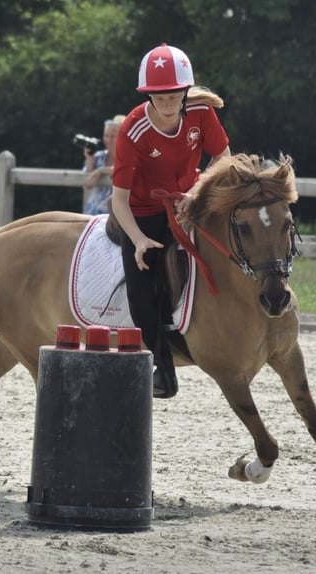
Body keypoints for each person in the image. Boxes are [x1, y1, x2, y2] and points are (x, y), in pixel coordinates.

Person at [110, 43, 231, 399]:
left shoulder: (202, 113)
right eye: (157, 95)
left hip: (188, 199)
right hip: (143, 211)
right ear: (147, 94)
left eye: (173, 94)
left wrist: (197, 192)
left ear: (184, 91)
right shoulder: (132, 130)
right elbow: (119, 199)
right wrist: (138, 240)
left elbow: (223, 156)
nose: (166, 102)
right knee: (141, 286)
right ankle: (161, 368)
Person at [81, 115, 125, 215]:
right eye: (106, 135)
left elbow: (123, 170)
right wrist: (89, 159)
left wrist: (100, 171)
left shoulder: (127, 157)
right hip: (93, 212)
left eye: (113, 136)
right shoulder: (98, 156)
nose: (108, 140)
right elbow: (86, 183)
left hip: (115, 215)